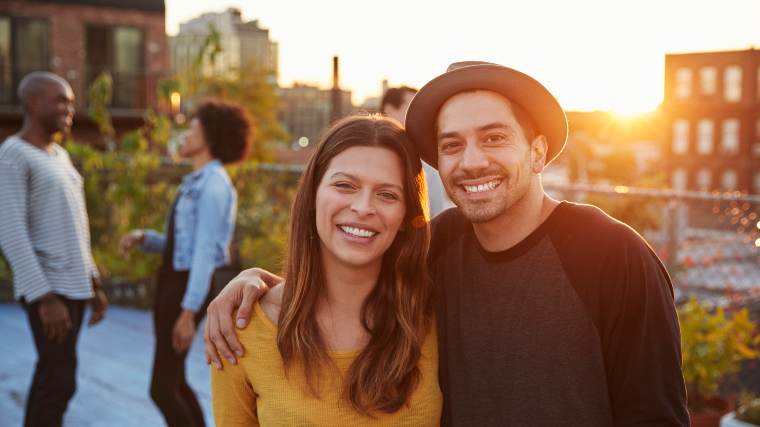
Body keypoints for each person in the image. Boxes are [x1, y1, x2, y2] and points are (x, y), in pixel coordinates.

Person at [204, 62, 689, 426]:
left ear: (538, 151)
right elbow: (352, 263)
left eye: (494, 137)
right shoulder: (441, 247)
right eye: (452, 145)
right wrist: (253, 283)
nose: (471, 161)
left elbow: (656, 416)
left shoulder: (612, 254)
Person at [210, 115, 441, 426]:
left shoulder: (437, 317)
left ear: (405, 217)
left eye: (387, 194)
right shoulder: (241, 326)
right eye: (345, 185)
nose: (362, 207)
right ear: (313, 196)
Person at [119, 99, 251, 427]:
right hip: (174, 281)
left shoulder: (214, 184)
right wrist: (145, 238)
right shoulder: (196, 181)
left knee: (161, 388)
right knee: (173, 380)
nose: (185, 134)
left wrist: (188, 312)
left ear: (209, 136)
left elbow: (205, 252)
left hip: (184, 288)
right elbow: (184, 246)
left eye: (192, 127)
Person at [0, 71, 108, 427]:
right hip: (50, 289)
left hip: (72, 286)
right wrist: (44, 297)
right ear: (32, 103)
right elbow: (10, 230)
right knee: (58, 380)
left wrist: (92, 282)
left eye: (72, 103)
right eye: (60, 100)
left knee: (56, 378)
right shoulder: (13, 155)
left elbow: (75, 223)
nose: (69, 109)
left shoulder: (58, 155)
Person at [381, 86, 453, 217]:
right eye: (411, 109)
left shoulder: (427, 163)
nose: (418, 116)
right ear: (389, 110)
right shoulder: (361, 156)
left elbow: (435, 214)